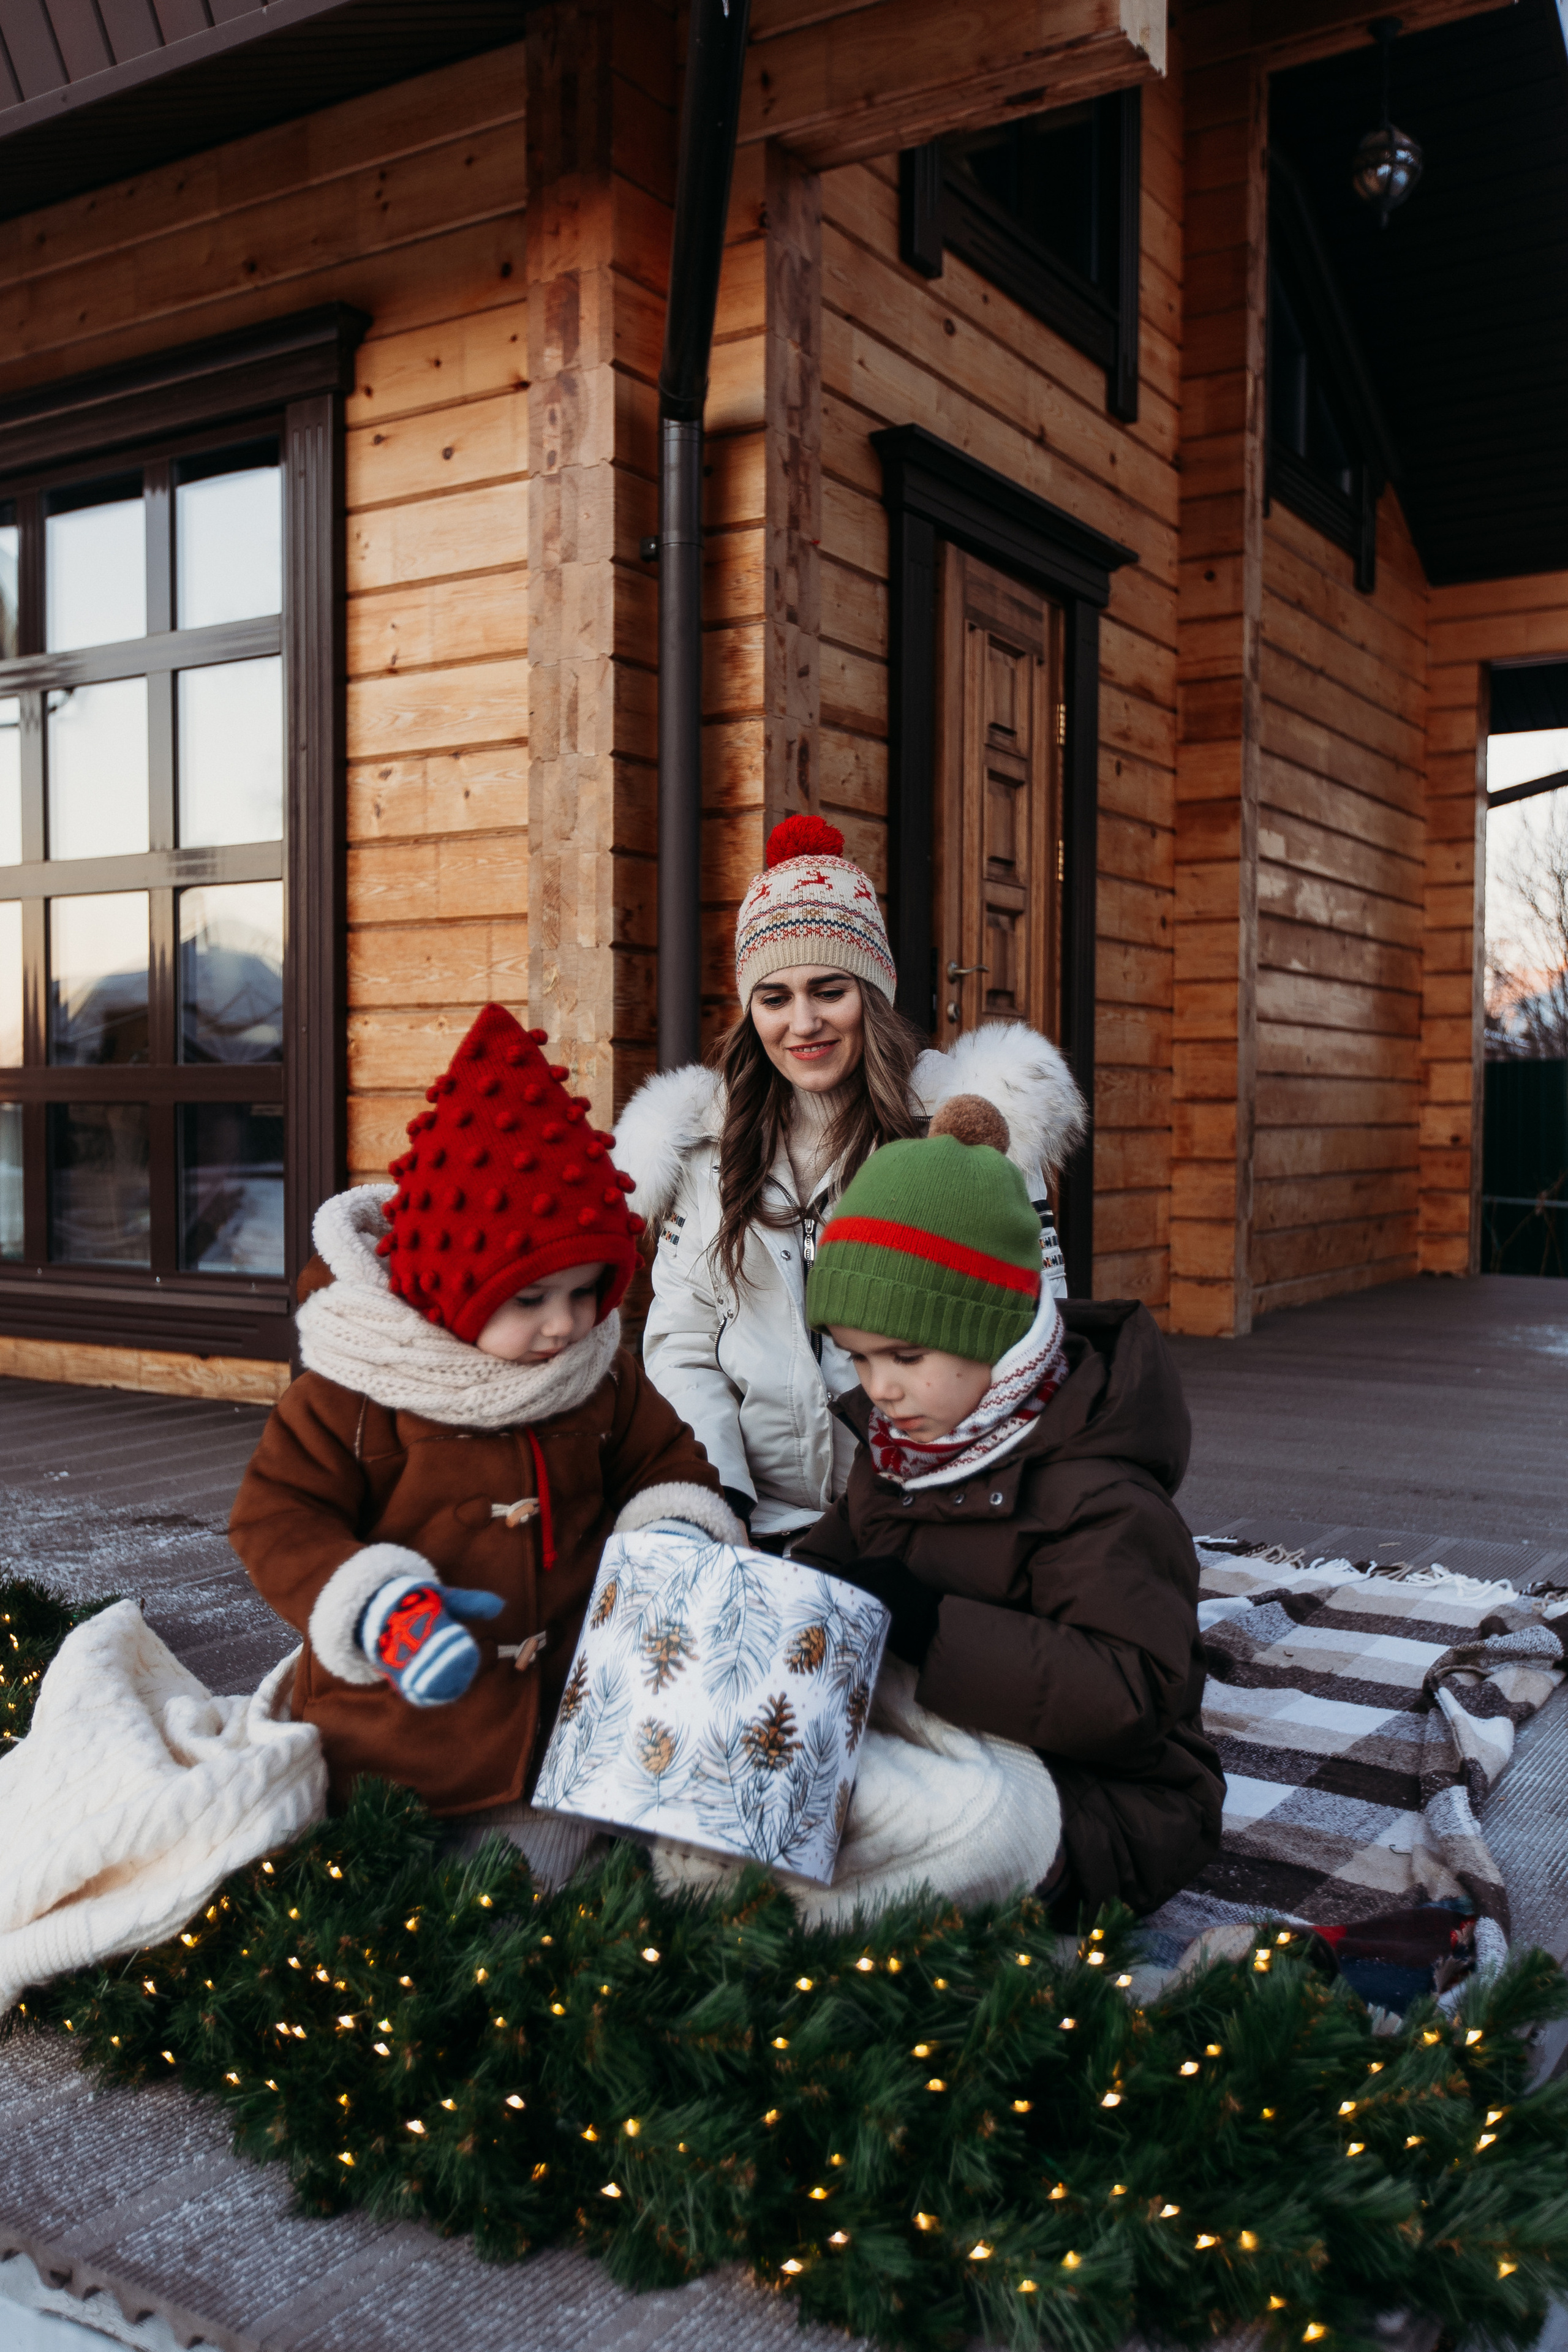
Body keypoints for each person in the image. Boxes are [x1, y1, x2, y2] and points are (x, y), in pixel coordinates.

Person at [228, 1002, 744, 1859]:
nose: (566, 1326)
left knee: (569, 1892)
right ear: (446, 1290)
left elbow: (665, 1459)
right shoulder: (360, 1392)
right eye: (530, 1300)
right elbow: (275, 1518)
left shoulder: (598, 1376)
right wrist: (380, 1610)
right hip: (397, 1735)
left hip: (562, 1722)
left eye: (587, 1292)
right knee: (420, 1907)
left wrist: (675, 1532)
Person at [788, 1093, 1224, 1921]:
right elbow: (830, 1559)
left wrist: (933, 1628)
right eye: (857, 1359)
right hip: (952, 1741)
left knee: (939, 1823)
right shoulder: (901, 1452)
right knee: (799, 1763)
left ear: (995, 1332)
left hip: (1100, 1804)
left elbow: (1132, 1695)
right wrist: (787, 1605)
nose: (880, 1389)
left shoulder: (1099, 1493)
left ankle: (830, 1925)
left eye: (905, 1356)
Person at [615, 813, 1087, 1551]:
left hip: (921, 1506)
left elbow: (1030, 1330)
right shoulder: (710, 1144)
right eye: (774, 999)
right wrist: (724, 1499)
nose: (802, 1023)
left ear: (872, 991)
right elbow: (681, 1345)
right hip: (754, 1514)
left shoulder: (961, 1134)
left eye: (828, 989)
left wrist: (936, 1494)